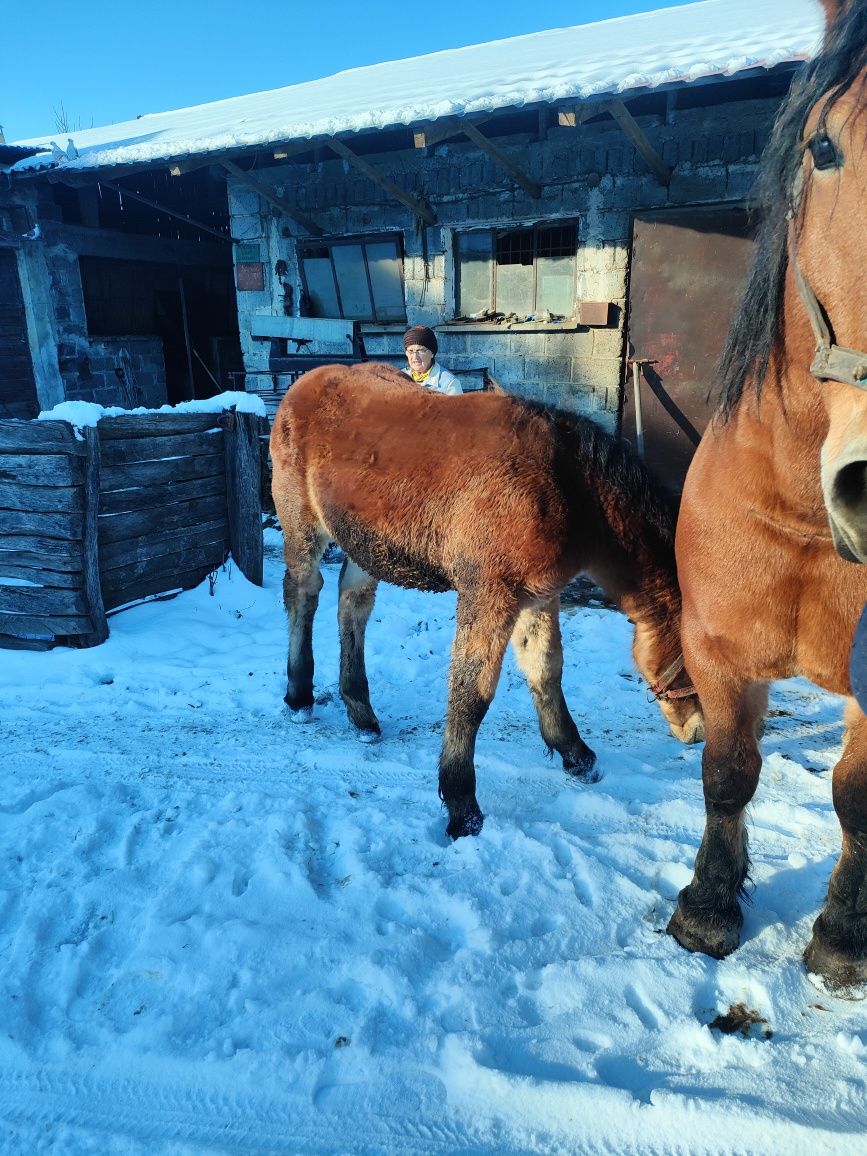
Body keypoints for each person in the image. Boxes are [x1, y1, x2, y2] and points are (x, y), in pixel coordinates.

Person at [401, 326, 463, 395]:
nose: (415, 356)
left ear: (432, 353)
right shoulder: (400, 377)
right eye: (410, 351)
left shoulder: (449, 383)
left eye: (420, 350)